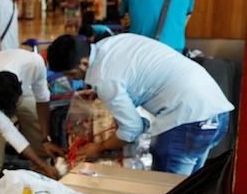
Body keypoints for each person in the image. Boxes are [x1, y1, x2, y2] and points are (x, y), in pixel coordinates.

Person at [46, 34, 233, 175]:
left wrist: (100, 147)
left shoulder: (104, 77)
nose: (75, 79)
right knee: (192, 187)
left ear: (84, 63)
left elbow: (132, 129)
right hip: (217, 111)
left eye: (71, 74)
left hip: (186, 120)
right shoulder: (113, 42)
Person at [0, 49, 62, 194]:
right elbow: (10, 133)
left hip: (22, 90)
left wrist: (46, 139)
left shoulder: (34, 63)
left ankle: (45, 192)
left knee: (39, 139)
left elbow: (43, 100)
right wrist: (41, 164)